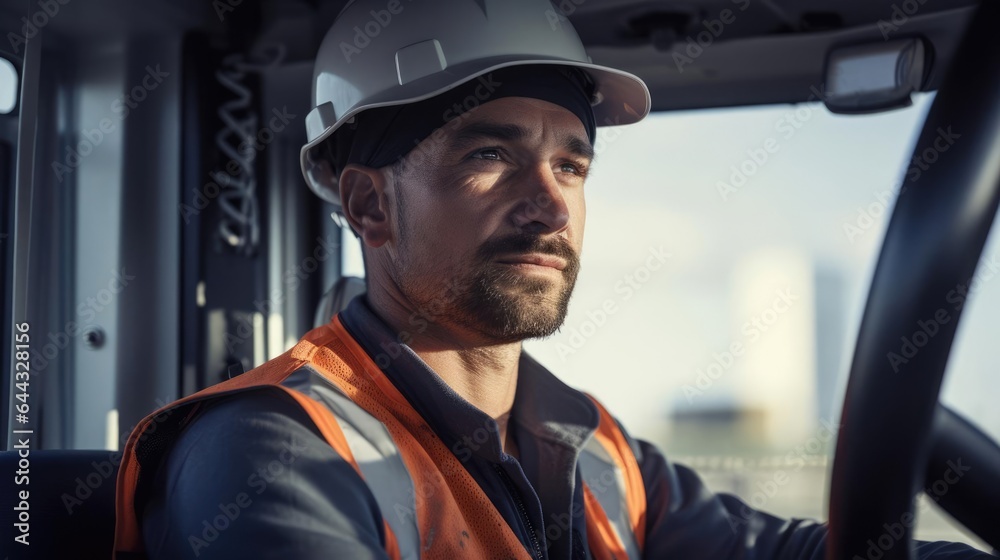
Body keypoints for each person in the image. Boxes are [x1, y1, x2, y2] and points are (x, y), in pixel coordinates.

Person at [113, 1, 992, 558]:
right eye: (491, 154)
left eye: (572, 166)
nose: (551, 206)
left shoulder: (589, 445)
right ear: (370, 205)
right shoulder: (269, 452)